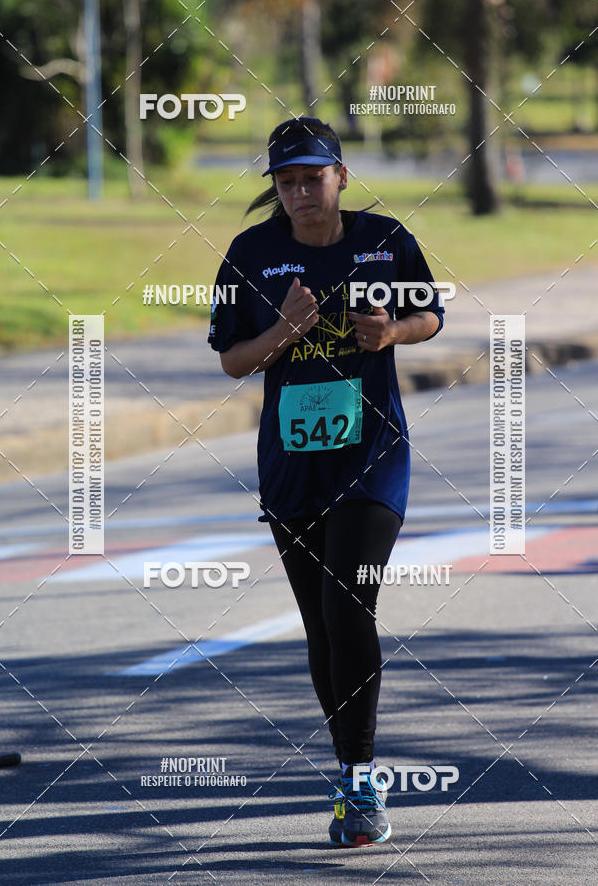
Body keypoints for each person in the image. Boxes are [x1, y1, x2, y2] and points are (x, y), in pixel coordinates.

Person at [208, 116, 444, 846]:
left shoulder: (387, 240)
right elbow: (231, 359)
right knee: (320, 624)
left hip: (374, 458)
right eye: (287, 181)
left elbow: (430, 312)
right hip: (291, 466)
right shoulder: (251, 255)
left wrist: (394, 332)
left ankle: (362, 782)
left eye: (314, 176)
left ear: (341, 175)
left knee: (349, 605)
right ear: (276, 190)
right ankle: (349, 772)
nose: (302, 191)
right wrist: (282, 332)